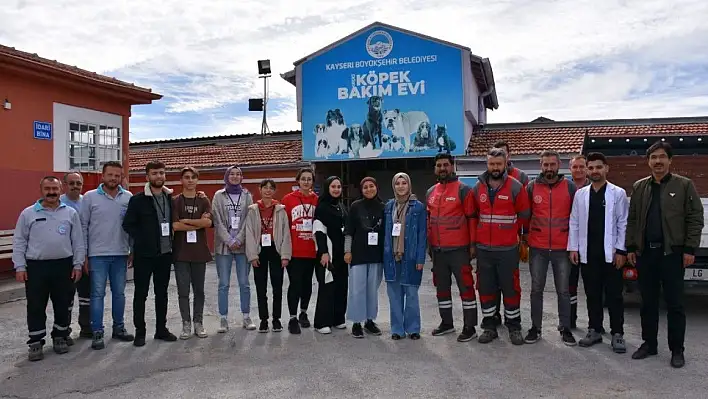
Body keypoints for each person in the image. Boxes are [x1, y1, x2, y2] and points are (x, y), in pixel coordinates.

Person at [626, 141, 703, 368]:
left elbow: (695, 218)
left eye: (662, 157)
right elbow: (632, 219)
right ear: (648, 161)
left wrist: (690, 249)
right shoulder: (640, 187)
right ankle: (649, 344)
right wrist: (631, 247)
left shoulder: (684, 185)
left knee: (675, 304)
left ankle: (677, 350)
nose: (657, 161)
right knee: (647, 302)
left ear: (670, 160)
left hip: (672, 254)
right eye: (653, 158)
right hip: (646, 255)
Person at [12, 176, 84, 361]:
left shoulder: (70, 213)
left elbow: (78, 241)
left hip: (64, 265)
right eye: (48, 188)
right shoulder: (28, 214)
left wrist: (77, 264)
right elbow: (19, 241)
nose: (51, 192)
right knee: (36, 305)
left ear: (61, 189)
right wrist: (20, 266)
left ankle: (60, 336)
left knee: (63, 303)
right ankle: (36, 341)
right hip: (36, 267)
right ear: (41, 190)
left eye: (55, 188)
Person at [568, 152, 629, 354]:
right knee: (592, 294)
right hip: (588, 253)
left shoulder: (617, 193)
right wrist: (574, 248)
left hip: (611, 254)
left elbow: (623, 223)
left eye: (598, 167)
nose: (594, 171)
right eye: (591, 168)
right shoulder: (581, 194)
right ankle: (594, 329)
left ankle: (617, 333)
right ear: (587, 170)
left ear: (606, 169)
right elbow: (574, 222)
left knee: (614, 295)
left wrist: (621, 250)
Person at [472, 148, 530, 345]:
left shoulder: (515, 187)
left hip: (507, 249)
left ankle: (513, 326)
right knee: (486, 287)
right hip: (484, 250)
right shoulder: (478, 187)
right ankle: (489, 326)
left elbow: (524, 214)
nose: (495, 168)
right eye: (491, 164)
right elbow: (473, 215)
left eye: (498, 164)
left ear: (505, 163)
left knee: (511, 288)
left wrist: (514, 235)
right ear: (487, 164)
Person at [122, 160, 178, 346]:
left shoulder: (170, 198)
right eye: (154, 173)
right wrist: (144, 238)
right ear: (147, 177)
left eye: (161, 173)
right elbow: (128, 224)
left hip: (165, 254)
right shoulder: (137, 200)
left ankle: (161, 330)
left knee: (162, 293)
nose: (158, 176)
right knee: (141, 294)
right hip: (144, 255)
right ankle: (140, 332)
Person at [524, 150, 577, 346]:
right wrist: (525, 238)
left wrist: (574, 246)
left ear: (559, 165)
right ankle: (535, 328)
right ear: (541, 166)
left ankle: (565, 328)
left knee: (563, 291)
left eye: (552, 164)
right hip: (537, 248)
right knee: (536, 289)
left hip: (562, 248)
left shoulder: (570, 187)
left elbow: (576, 218)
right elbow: (525, 215)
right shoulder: (531, 187)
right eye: (545, 165)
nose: (548, 168)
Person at [80, 161, 135, 350]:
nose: (113, 178)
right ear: (102, 176)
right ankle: (97, 332)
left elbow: (132, 227)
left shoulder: (127, 197)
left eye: (117, 175)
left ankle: (119, 328)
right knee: (97, 295)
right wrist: (84, 256)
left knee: (119, 294)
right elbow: (82, 227)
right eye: (110, 175)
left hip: (120, 253)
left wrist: (131, 250)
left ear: (121, 177)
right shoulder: (89, 197)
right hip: (97, 255)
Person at [426, 153, 479, 342]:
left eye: (445, 165)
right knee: (442, 289)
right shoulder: (431, 191)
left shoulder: (464, 190)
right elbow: (429, 221)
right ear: (435, 169)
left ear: (452, 166)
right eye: (439, 165)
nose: (442, 168)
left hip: (459, 250)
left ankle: (470, 326)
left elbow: (472, 219)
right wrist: (429, 246)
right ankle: (446, 323)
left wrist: (473, 246)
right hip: (438, 251)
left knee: (466, 288)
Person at [211, 165, 256, 332]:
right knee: (223, 284)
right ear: (227, 177)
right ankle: (223, 318)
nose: (235, 177)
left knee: (244, 283)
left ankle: (246, 316)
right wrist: (229, 240)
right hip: (224, 246)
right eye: (232, 174)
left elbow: (249, 220)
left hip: (243, 246)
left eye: (238, 174)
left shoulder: (247, 196)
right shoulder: (218, 195)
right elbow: (217, 220)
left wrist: (239, 238)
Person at [245, 179, 292, 333]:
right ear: (260, 189)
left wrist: (285, 255)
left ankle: (276, 319)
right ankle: (263, 320)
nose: (267, 190)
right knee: (261, 287)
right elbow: (249, 233)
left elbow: (286, 234)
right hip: (260, 250)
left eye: (271, 188)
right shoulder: (252, 210)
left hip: (276, 249)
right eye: (265, 188)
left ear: (274, 191)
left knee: (277, 287)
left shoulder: (280, 210)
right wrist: (252, 255)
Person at [171, 167, 213, 339]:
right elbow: (175, 226)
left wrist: (187, 221)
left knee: (199, 290)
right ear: (181, 180)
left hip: (199, 252)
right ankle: (186, 324)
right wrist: (199, 223)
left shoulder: (204, 200)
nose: (190, 180)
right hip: (180, 253)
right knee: (183, 291)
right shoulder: (174, 201)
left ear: (197, 180)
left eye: (193, 177)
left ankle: (198, 322)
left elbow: (208, 223)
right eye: (186, 177)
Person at [384, 173, 426, 340]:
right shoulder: (388, 206)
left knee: (411, 294)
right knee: (394, 295)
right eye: (397, 183)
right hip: (392, 256)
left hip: (411, 256)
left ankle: (413, 328)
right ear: (393, 186)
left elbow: (422, 234)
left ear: (409, 185)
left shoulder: (418, 207)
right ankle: (397, 329)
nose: (401, 186)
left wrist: (420, 258)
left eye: (404, 183)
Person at [493, 140, 530, 326]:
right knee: (492, 283)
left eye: (503, 153)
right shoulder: (488, 179)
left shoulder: (520, 177)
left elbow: (525, 211)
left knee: (510, 282)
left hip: (511, 241)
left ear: (508, 156)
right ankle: (495, 316)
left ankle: (512, 318)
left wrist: (523, 237)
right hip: (490, 244)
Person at [345, 177, 385, 338]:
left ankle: (369, 321)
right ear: (361, 190)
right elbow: (349, 231)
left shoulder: (383, 207)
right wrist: (347, 251)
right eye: (365, 187)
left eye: (371, 186)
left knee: (372, 291)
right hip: (358, 254)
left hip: (376, 255)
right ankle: (356, 322)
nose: (369, 189)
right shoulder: (355, 206)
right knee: (357, 290)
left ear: (377, 188)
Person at [281, 167, 319, 334]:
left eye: (309, 179)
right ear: (298, 180)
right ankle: (292, 317)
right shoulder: (288, 199)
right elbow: (283, 226)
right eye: (303, 178)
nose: (306, 182)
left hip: (311, 250)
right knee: (295, 284)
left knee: (307, 285)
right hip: (294, 251)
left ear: (312, 182)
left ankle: (303, 313)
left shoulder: (317, 200)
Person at [313, 176, 349, 334]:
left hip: (341, 255)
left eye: (339, 187)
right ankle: (322, 322)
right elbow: (319, 231)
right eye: (333, 186)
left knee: (341, 286)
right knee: (327, 287)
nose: (336, 189)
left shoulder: (341, 206)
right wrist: (323, 252)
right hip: (328, 255)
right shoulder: (322, 207)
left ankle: (338, 318)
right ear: (327, 188)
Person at [60, 171, 91, 343]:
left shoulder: (86, 202)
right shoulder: (59, 203)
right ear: (65, 185)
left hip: (85, 256)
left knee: (86, 296)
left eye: (78, 183)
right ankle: (64, 331)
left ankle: (86, 328)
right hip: (66, 258)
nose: (75, 186)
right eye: (71, 183)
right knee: (66, 298)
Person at [568, 154, 591, 330]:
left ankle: (595, 323)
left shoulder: (595, 187)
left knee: (592, 285)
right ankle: (571, 319)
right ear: (570, 169)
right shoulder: (566, 188)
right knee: (570, 285)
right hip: (570, 244)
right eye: (575, 167)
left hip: (592, 243)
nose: (578, 170)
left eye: (581, 167)